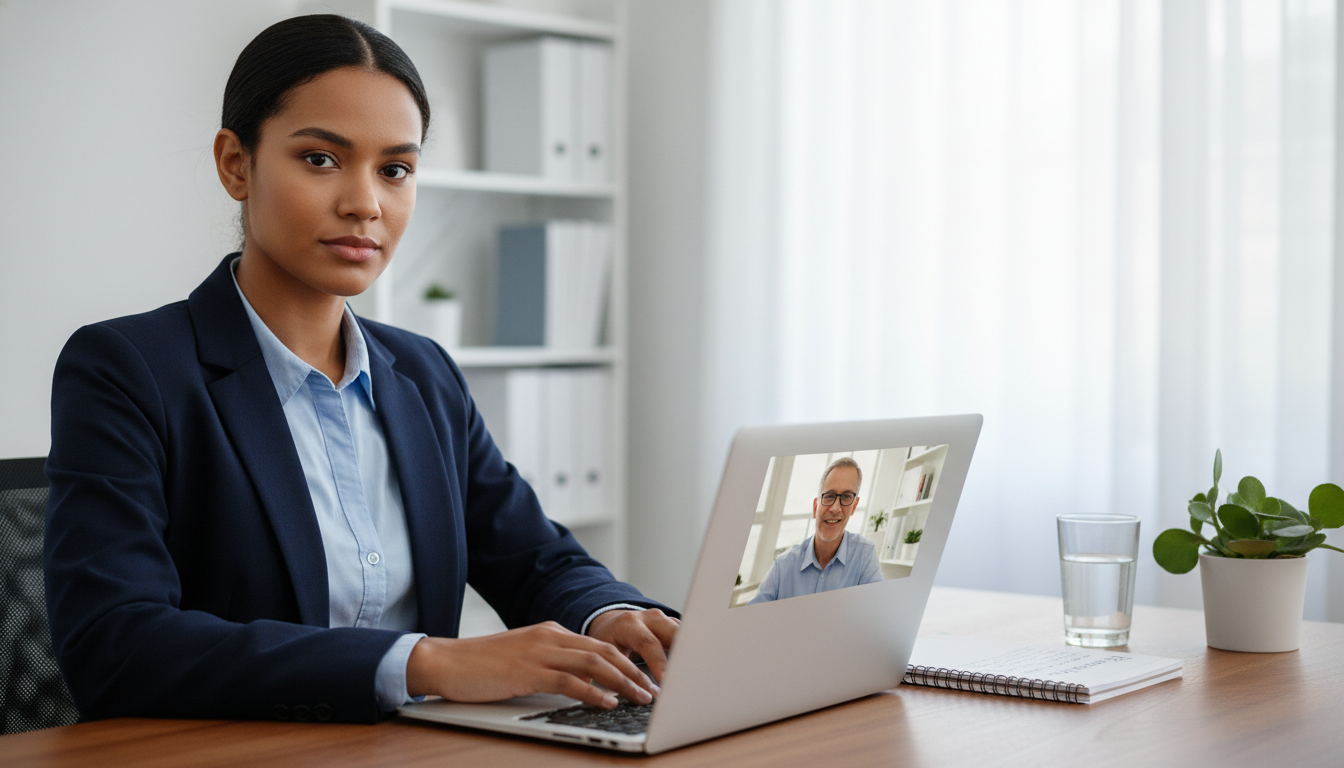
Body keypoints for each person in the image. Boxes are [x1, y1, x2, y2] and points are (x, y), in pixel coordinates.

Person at [43, 14, 676, 725]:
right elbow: (115, 643)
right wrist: (426, 662)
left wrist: (613, 616)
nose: (365, 204)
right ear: (236, 164)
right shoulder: (129, 370)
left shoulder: (423, 373)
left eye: (395, 170)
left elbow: (536, 557)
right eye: (320, 158)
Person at [747, 457, 883, 604]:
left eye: (846, 497)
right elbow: (750, 620)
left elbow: (876, 617)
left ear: (854, 506)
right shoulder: (783, 566)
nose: (836, 508)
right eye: (829, 496)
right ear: (815, 507)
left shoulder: (865, 556)